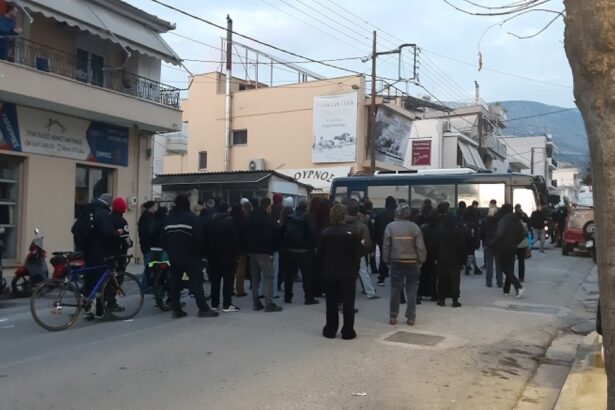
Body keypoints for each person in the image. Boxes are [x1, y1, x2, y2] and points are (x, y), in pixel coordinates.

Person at [163, 194, 217, 319]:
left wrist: (170, 251)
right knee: (196, 282)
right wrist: (202, 254)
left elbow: (163, 238)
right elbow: (199, 238)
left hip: (174, 256)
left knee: (175, 283)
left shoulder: (168, 219)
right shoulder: (191, 218)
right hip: (190, 256)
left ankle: (176, 310)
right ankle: (203, 309)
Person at [318, 204, 362, 340]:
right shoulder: (352, 232)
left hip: (330, 271)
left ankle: (330, 329)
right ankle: (348, 331)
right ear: (345, 215)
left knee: (331, 301)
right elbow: (358, 253)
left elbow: (320, 254)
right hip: (347, 271)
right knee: (348, 302)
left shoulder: (325, 233)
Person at [79, 193, 121, 320]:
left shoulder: (89, 210)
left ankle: (87, 311)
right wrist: (117, 233)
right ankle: (99, 311)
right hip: (101, 253)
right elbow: (108, 233)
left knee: (90, 281)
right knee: (101, 282)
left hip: (87, 251)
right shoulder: (103, 214)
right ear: (109, 202)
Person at [383, 203, 427, 326]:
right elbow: (420, 247)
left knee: (395, 289)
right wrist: (421, 260)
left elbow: (386, 246)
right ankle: (411, 317)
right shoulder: (415, 227)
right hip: (412, 262)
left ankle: (393, 316)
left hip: (396, 261)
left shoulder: (390, 227)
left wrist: (386, 260)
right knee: (412, 290)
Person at [246, 197, 282, 312]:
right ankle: (269, 303)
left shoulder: (250, 218)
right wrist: (271, 251)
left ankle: (256, 302)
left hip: (252, 252)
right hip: (265, 253)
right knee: (268, 277)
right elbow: (274, 236)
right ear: (268, 206)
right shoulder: (269, 220)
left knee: (255, 279)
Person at [281, 199, 319, 305]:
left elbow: (283, 231)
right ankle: (308, 298)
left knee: (288, 276)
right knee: (307, 276)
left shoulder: (290, 216)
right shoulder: (309, 217)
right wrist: (314, 245)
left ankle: (288, 296)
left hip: (290, 250)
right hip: (305, 251)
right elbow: (313, 231)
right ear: (306, 206)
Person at [206, 203, 240, 312]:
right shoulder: (231, 222)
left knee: (215, 281)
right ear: (227, 210)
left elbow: (206, 239)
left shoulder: (210, 222)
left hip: (213, 256)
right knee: (228, 281)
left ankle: (214, 304)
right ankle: (227, 304)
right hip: (228, 256)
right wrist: (237, 255)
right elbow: (235, 241)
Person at [491, 204, 526, 298]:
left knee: (505, 269)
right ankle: (506, 290)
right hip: (513, 247)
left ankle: (518, 286)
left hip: (503, 247)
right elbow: (523, 234)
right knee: (509, 268)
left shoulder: (504, 220)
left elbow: (500, 235)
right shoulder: (516, 220)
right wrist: (515, 242)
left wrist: (493, 244)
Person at [345, 200, 378, 299]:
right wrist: (362, 246)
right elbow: (365, 241)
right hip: (358, 252)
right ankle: (370, 292)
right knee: (363, 272)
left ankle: (345, 293)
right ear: (357, 212)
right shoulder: (361, 225)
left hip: (344, 252)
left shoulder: (343, 223)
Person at [435, 213, 466, 307]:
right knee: (455, 279)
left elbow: (436, 245)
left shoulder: (440, 231)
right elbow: (462, 246)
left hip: (442, 258)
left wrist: (435, 257)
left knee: (442, 279)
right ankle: (455, 300)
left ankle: (441, 299)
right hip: (455, 259)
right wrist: (463, 260)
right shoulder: (458, 231)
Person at [374, 196, 397, 286]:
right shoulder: (396, 215)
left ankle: (382, 278)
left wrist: (376, 239)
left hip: (382, 239)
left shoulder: (379, 215)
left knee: (383, 257)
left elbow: (376, 229)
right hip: (396, 239)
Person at [418, 213, 439, 302]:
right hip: (434, 255)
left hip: (424, 254)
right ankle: (433, 293)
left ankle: (420, 293)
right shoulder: (439, 229)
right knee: (433, 276)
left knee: (423, 275)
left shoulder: (423, 228)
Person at [138, 200, 158, 291]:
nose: (156, 208)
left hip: (145, 245)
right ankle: (144, 286)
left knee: (148, 265)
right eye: (155, 206)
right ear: (151, 208)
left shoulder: (144, 217)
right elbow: (150, 232)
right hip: (149, 246)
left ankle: (146, 285)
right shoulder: (149, 218)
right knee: (149, 266)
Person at [480, 206, 502, 288]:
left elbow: (480, 233)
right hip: (498, 244)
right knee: (499, 265)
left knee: (489, 264)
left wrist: (484, 240)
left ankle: (489, 282)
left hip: (488, 244)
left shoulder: (485, 222)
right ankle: (499, 282)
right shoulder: (500, 221)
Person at [230, 204, 248, 297]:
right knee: (240, 269)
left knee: (230, 269)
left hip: (230, 248)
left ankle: (230, 288)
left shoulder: (229, 220)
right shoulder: (243, 221)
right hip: (241, 248)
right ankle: (240, 289)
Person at [110, 197, 133, 272]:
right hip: (120, 251)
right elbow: (125, 237)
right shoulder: (122, 221)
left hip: (109, 250)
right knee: (120, 273)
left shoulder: (108, 218)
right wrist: (130, 243)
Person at [461, 206, 481, 276]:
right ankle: (468, 267)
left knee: (469, 254)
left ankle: (474, 267)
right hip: (472, 239)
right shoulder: (474, 220)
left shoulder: (463, 220)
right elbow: (477, 230)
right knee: (471, 254)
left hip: (464, 239)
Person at [516, 216, 529, 283]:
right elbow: (527, 234)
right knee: (521, 262)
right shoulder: (524, 225)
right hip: (523, 244)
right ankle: (521, 277)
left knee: (511, 262)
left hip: (514, 244)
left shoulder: (513, 224)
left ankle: (510, 276)